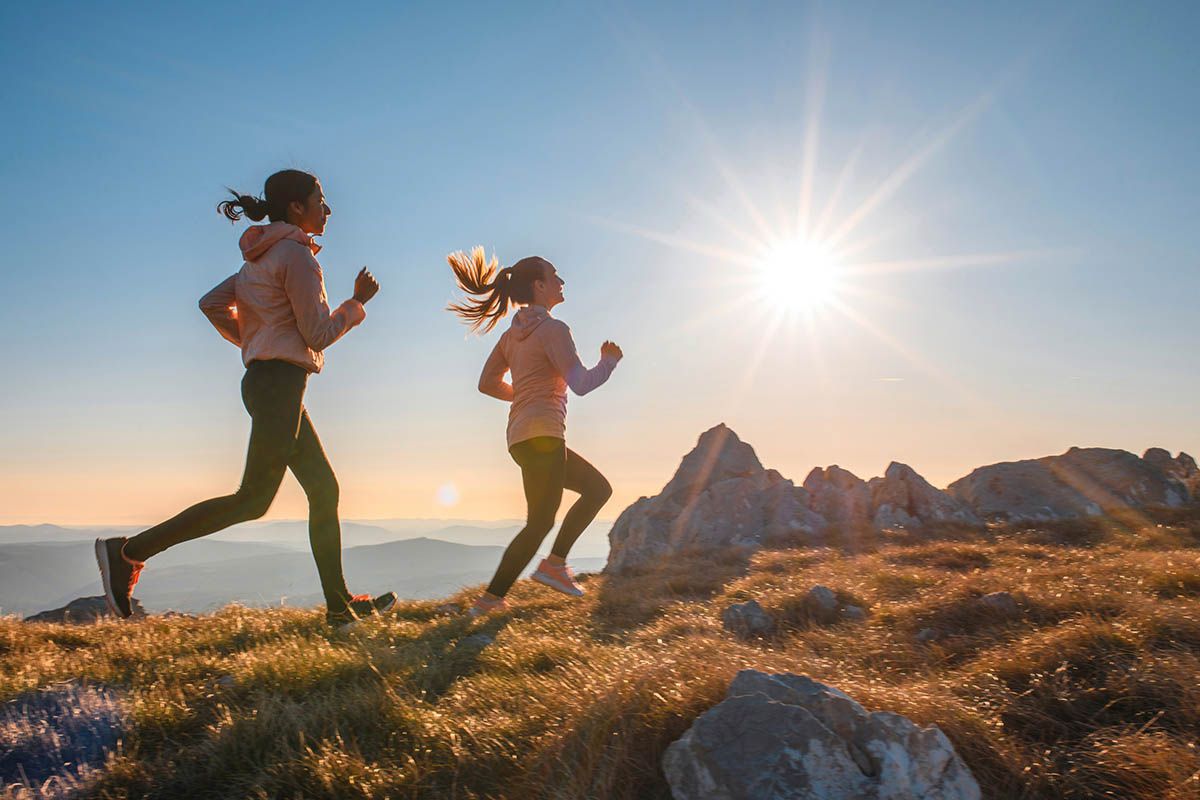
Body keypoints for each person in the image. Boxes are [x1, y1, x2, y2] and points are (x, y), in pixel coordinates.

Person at [95, 169, 395, 630]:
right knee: (252, 500)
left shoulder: (256, 260)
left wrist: (253, 343)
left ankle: (339, 607)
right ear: (297, 207)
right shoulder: (296, 256)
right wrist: (356, 304)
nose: (328, 209)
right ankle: (129, 551)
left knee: (323, 489)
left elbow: (212, 303)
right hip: (278, 385)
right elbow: (317, 333)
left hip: (272, 383)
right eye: (321, 199)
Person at [446, 248, 621, 616]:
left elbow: (486, 383)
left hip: (520, 438)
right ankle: (534, 576)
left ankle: (500, 594)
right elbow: (581, 383)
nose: (562, 281)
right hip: (544, 434)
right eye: (555, 276)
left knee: (593, 491)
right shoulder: (554, 330)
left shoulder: (512, 336)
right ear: (540, 287)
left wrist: (522, 396)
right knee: (542, 520)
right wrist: (609, 362)